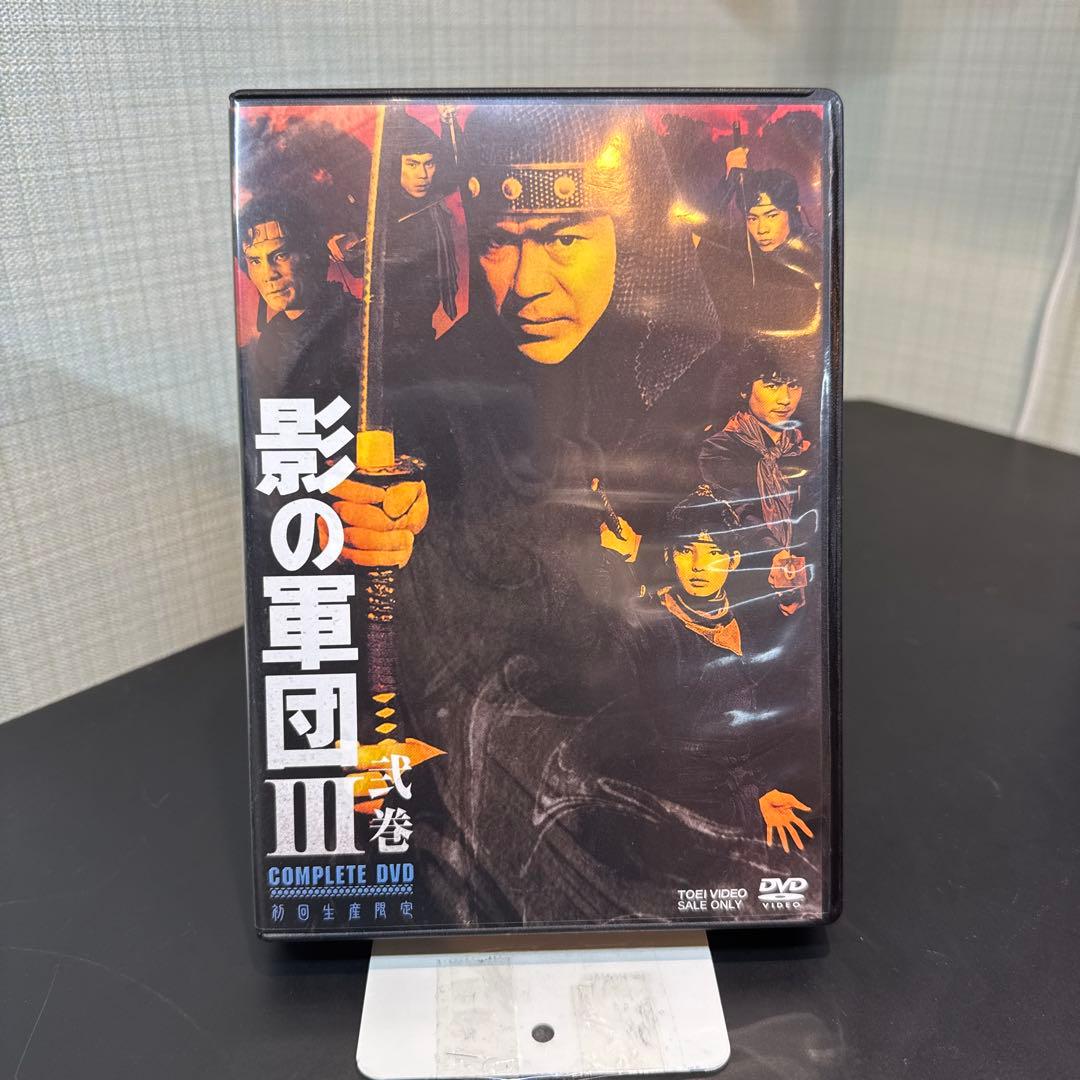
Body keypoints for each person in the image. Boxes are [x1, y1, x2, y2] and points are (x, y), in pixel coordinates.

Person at [332, 102, 734, 926]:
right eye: (498, 242)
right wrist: (386, 519)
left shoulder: (715, 378)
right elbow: (417, 474)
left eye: (562, 238)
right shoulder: (449, 375)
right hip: (509, 747)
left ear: (630, 233)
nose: (525, 283)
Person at [698, 340, 816, 619]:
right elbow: (739, 508)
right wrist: (776, 556)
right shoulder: (720, 448)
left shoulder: (804, 447)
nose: (785, 399)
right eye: (772, 385)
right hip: (744, 584)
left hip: (803, 582)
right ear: (745, 389)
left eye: (793, 385)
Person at [694, 167, 823, 342]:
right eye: (752, 218)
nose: (761, 229)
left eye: (771, 216)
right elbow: (694, 226)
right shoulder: (745, 242)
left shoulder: (814, 254)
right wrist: (728, 184)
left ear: (795, 211)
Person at [383, 111, 460, 357]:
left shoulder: (433, 200)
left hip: (423, 324)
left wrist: (447, 123)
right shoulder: (379, 206)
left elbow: (454, 169)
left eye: (429, 163)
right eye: (412, 164)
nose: (423, 175)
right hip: (388, 327)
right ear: (396, 165)